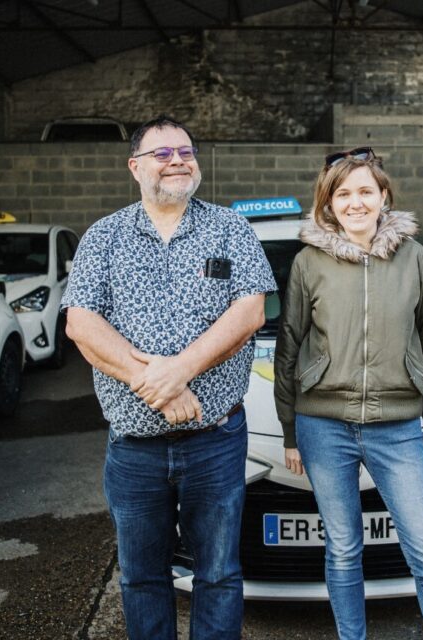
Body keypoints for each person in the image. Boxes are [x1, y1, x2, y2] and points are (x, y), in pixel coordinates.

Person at [61, 115, 276, 640]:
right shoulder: (104, 237)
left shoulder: (230, 229)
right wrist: (155, 386)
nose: (178, 160)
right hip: (134, 449)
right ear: (135, 167)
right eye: (162, 154)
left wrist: (178, 371)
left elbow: (249, 313)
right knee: (140, 576)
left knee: (219, 573)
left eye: (186, 151)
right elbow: (81, 325)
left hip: (217, 441)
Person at [273, 147, 423, 640]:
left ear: (384, 196)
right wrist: (290, 430)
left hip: (399, 429)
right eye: (343, 194)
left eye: (365, 192)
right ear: (328, 203)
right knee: (342, 547)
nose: (355, 203)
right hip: (323, 427)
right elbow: (288, 346)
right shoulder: (308, 262)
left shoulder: (415, 259)